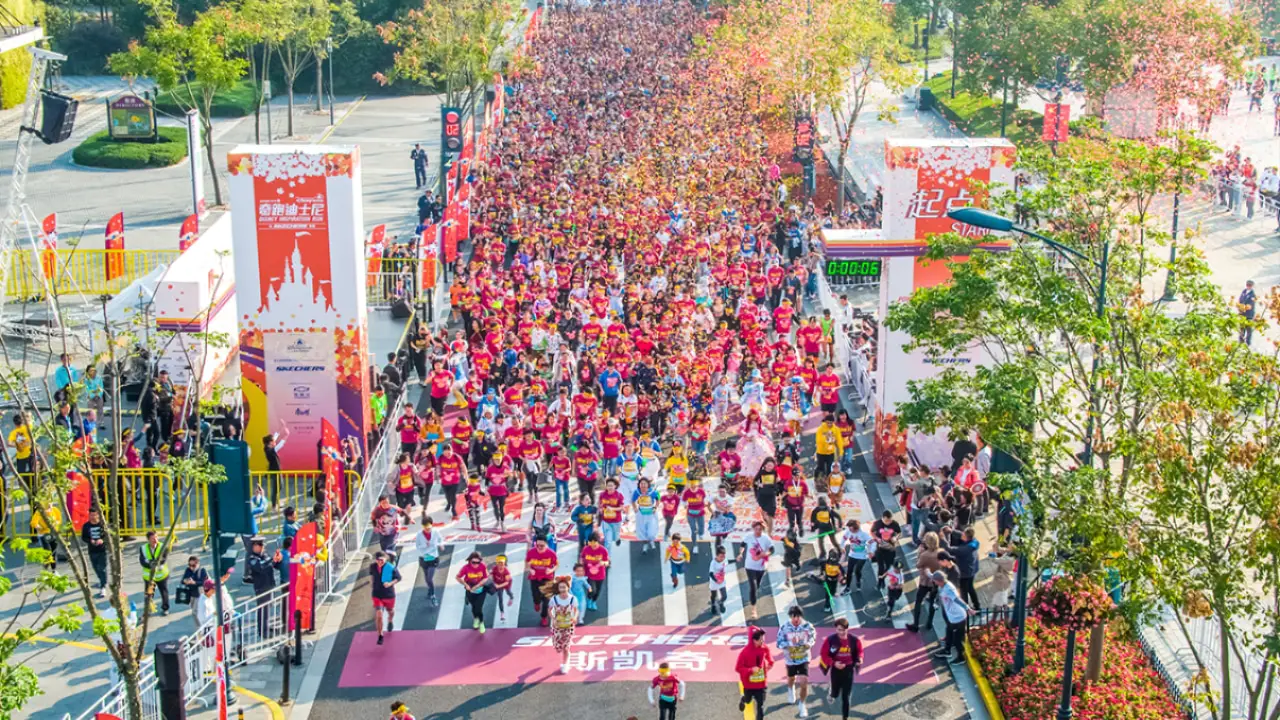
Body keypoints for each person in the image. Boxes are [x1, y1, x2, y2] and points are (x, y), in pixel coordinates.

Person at [819, 618, 863, 720]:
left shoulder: (854, 640)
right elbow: (823, 654)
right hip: (836, 669)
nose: (841, 632)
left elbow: (860, 651)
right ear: (836, 629)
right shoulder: (830, 640)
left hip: (848, 669)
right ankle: (832, 693)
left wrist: (860, 659)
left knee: (846, 697)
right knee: (835, 692)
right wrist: (833, 663)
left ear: (847, 629)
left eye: (843, 630)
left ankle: (845, 717)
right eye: (839, 630)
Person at [777, 605, 816, 717]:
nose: (796, 619)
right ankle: (790, 689)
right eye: (794, 617)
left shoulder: (808, 626)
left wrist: (808, 644)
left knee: (804, 682)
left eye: (798, 616)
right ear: (791, 617)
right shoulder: (784, 627)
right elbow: (779, 643)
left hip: (803, 658)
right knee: (791, 678)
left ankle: (802, 704)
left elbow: (813, 638)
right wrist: (789, 644)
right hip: (791, 659)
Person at [934, 570, 976, 663]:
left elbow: (957, 599)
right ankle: (947, 650)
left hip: (958, 617)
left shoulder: (948, 589)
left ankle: (961, 657)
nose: (934, 582)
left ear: (939, 580)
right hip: (952, 616)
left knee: (957, 639)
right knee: (949, 631)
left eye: (935, 581)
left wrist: (968, 608)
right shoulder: (943, 585)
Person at [737, 521, 774, 622]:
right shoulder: (749, 536)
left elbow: (772, 549)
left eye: (760, 529)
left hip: (760, 567)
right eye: (756, 529)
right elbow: (742, 545)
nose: (758, 531)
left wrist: (765, 554)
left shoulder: (766, 538)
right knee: (753, 587)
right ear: (753, 529)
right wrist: (740, 554)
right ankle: (753, 610)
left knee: (756, 586)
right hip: (749, 566)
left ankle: (752, 599)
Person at [736, 627, 773, 719]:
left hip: (761, 684)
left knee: (760, 705)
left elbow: (769, 658)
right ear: (754, 640)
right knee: (748, 700)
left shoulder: (764, 648)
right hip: (749, 685)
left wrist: (770, 664)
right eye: (760, 639)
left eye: (763, 638)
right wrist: (751, 670)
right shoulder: (745, 653)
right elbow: (738, 668)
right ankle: (744, 699)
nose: (762, 641)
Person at [548, 578, 580, 674]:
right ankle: (563, 654)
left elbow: (576, 610)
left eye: (564, 587)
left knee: (566, 647)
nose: (562, 589)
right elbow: (549, 610)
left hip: (568, 626)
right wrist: (553, 618)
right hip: (557, 626)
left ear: (568, 587)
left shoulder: (573, 599)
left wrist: (574, 617)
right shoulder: (554, 599)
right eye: (560, 587)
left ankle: (565, 664)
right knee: (558, 647)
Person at [526, 535, 558, 626]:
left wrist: (551, 570)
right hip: (535, 578)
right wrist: (530, 569)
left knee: (546, 600)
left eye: (542, 546)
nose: (539, 548)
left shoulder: (551, 554)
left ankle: (544, 617)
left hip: (547, 579)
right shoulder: (531, 552)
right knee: (536, 596)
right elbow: (527, 562)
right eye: (537, 545)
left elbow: (556, 565)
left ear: (546, 545)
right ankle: (536, 602)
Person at [371, 551, 401, 645]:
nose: (379, 562)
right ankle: (380, 635)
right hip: (377, 594)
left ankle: (390, 620)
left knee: (390, 611)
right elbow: (372, 576)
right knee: (379, 615)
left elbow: (398, 578)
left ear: (385, 559)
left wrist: (390, 583)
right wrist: (372, 585)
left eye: (381, 560)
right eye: (378, 560)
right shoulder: (373, 567)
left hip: (388, 594)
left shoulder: (390, 567)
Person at [138, 530, 171, 616]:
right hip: (149, 576)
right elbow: (142, 561)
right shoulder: (143, 548)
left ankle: (165, 608)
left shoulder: (163, 546)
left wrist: (152, 562)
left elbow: (163, 559)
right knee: (149, 594)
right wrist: (150, 565)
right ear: (148, 540)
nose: (155, 540)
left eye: (156, 537)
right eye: (153, 538)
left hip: (161, 575)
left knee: (164, 592)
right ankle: (148, 609)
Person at [457, 550, 490, 633]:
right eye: (473, 562)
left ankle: (481, 623)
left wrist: (478, 585)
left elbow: (486, 577)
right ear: (469, 561)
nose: (475, 564)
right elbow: (458, 577)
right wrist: (465, 584)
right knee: (474, 607)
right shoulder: (466, 568)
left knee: (479, 608)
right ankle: (476, 619)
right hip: (470, 590)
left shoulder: (482, 566)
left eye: (477, 562)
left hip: (481, 590)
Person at [415, 517, 443, 607]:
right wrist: (424, 545)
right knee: (426, 577)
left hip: (433, 557)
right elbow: (417, 546)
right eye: (426, 528)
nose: (428, 530)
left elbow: (440, 539)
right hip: (424, 558)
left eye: (429, 528)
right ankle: (430, 589)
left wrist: (441, 545)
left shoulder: (435, 532)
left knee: (429, 578)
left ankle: (433, 595)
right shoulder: (419, 534)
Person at [580, 532, 610, 611]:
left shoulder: (603, 550)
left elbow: (607, 562)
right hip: (589, 574)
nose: (593, 545)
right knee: (592, 589)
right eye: (591, 543)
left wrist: (603, 563)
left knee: (597, 592)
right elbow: (582, 558)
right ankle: (589, 599)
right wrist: (582, 563)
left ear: (598, 541)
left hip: (600, 575)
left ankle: (593, 602)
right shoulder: (586, 549)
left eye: (594, 543)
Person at [840, 519, 871, 594]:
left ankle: (858, 581)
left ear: (856, 528)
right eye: (849, 528)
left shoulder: (863, 535)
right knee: (849, 571)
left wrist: (871, 551)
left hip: (862, 556)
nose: (850, 530)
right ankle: (847, 588)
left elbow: (872, 542)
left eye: (851, 529)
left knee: (857, 571)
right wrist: (842, 546)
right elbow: (843, 538)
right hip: (852, 554)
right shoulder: (848, 532)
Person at [81, 508, 108, 596]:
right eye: (91, 515)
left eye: (95, 515)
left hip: (102, 550)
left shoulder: (102, 525)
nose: (93, 517)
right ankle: (101, 580)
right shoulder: (86, 526)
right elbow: (84, 537)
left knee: (102, 568)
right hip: (92, 550)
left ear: (98, 515)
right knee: (96, 568)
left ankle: (103, 586)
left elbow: (107, 535)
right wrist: (90, 541)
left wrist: (102, 540)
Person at [632, 478, 660, 551]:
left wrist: (655, 507)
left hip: (651, 514)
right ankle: (645, 544)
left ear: (648, 485)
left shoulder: (653, 492)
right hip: (641, 514)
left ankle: (651, 541)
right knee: (642, 531)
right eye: (641, 484)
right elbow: (633, 501)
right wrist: (635, 508)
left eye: (645, 484)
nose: (643, 485)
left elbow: (658, 499)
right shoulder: (637, 492)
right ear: (639, 485)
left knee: (651, 531)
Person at [708, 544, 730, 614]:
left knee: (724, 596)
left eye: (724, 556)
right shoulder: (713, 563)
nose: (722, 558)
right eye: (721, 557)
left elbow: (728, 562)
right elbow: (711, 574)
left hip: (722, 582)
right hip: (714, 583)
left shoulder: (723, 560)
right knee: (713, 596)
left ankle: (720, 603)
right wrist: (716, 580)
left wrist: (736, 560)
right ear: (716, 555)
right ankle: (713, 605)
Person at [1239, 280, 1257, 345]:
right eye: (1247, 285)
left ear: (1252, 286)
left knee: (1249, 329)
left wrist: (1244, 307)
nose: (1248, 286)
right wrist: (1240, 307)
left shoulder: (1253, 295)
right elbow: (1240, 300)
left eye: (1250, 285)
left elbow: (1251, 305)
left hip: (1249, 314)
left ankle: (1248, 343)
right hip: (1242, 313)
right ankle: (1241, 342)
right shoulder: (1243, 292)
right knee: (1241, 328)